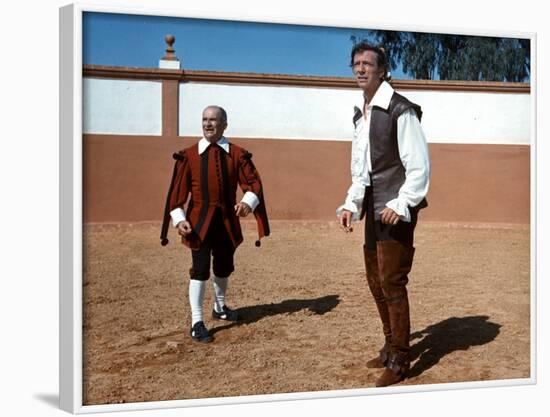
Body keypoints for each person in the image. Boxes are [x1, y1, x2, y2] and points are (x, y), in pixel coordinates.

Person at [336, 42, 430, 387]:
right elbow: (361, 169)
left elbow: (418, 167)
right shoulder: (362, 113)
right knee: (375, 279)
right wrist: (350, 204)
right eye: (356, 64)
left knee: (392, 280)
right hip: (373, 207)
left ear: (382, 69)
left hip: (394, 210)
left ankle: (401, 360)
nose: (361, 69)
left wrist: (400, 204)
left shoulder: (400, 109)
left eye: (368, 64)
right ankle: (391, 345)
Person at [160, 105, 269, 343]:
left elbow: (253, 185)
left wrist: (247, 202)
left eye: (213, 120)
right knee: (199, 270)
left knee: (223, 268)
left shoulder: (238, 154)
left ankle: (219, 308)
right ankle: (196, 321)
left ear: (224, 125)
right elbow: (176, 196)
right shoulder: (188, 155)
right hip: (198, 224)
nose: (208, 124)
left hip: (227, 223)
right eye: (204, 120)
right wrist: (179, 220)